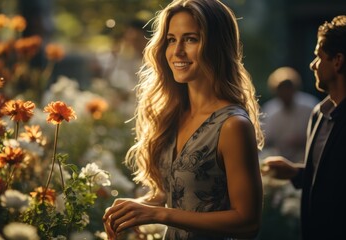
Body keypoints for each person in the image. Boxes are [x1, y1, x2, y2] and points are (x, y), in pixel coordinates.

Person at [102, 0, 264, 239]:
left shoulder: (232, 125)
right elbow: (178, 194)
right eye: (171, 39)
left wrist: (160, 215)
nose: (177, 51)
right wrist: (135, 207)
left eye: (190, 39)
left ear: (216, 46)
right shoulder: (172, 114)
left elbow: (247, 221)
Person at [262, 15, 346, 240]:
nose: (312, 64)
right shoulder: (319, 114)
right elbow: (330, 178)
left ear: (338, 61)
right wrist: (295, 172)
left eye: (318, 56)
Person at [261, 66, 319, 163]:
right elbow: (265, 140)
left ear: (295, 88)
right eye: (281, 89)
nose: (285, 92)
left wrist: (303, 140)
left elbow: (320, 137)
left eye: (288, 88)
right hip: (279, 159)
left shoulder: (311, 107)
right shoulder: (270, 110)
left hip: (306, 160)